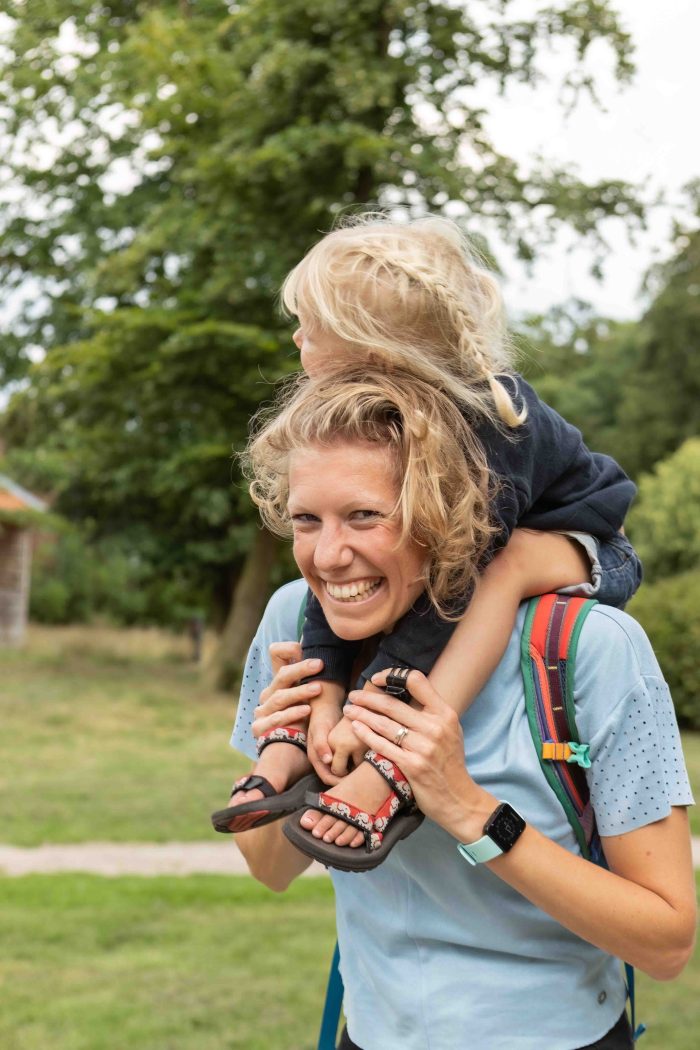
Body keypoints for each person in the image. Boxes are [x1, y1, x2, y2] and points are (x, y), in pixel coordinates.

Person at [229, 371, 695, 1050]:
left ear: (441, 513)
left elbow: (667, 943)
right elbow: (269, 869)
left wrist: (468, 810)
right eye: (306, 520)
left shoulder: (591, 647)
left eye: (365, 516)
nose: (328, 557)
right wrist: (300, 760)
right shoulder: (295, 618)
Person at [220, 214, 642, 866]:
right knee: (341, 568)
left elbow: (454, 581)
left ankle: (390, 768)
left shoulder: (491, 429)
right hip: (477, 549)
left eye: (311, 327)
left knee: (500, 570)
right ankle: (288, 752)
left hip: (585, 546)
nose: (297, 339)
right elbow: (333, 577)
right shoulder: (389, 447)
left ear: (373, 350)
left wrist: (369, 709)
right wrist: (322, 696)